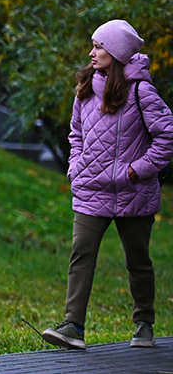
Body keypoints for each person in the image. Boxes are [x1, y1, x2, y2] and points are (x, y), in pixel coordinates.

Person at [42, 19, 173, 350]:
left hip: (135, 192)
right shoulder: (84, 90)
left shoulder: (141, 91)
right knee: (81, 254)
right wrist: (76, 166)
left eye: (99, 46)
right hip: (92, 188)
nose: (92, 52)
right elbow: (75, 134)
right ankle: (73, 327)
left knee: (138, 261)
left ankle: (144, 324)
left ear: (115, 52)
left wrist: (136, 171)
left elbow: (167, 137)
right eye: (94, 45)